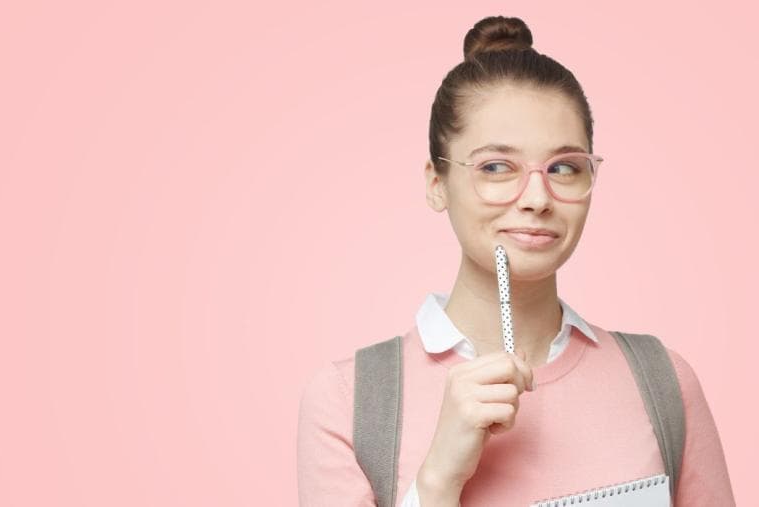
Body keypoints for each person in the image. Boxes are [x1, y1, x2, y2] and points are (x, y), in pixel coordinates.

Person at [296, 15, 735, 507]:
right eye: (497, 167)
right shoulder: (350, 402)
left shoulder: (663, 383)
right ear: (436, 183)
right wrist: (438, 479)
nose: (536, 198)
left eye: (564, 167)